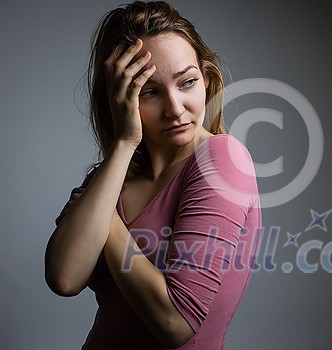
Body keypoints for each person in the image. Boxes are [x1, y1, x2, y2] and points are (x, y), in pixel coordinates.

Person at [44, 1, 261, 349]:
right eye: (149, 91)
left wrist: (109, 222)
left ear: (206, 80)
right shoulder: (113, 174)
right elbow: (64, 278)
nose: (175, 108)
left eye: (187, 82)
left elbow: (175, 322)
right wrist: (123, 142)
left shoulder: (221, 160)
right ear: (119, 99)